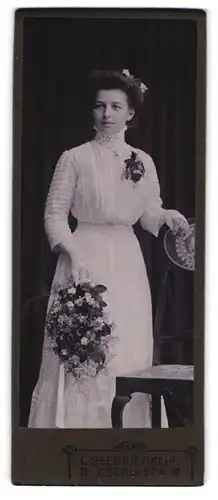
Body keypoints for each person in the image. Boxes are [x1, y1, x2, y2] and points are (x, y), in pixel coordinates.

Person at [28, 69, 189, 428]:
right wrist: (73, 253)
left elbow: (148, 213)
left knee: (126, 349)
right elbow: (54, 215)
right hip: (82, 255)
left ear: (130, 113)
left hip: (127, 263)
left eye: (116, 106)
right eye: (100, 106)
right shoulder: (73, 158)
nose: (107, 114)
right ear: (92, 110)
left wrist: (167, 215)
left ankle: (128, 432)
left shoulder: (142, 161)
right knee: (81, 351)